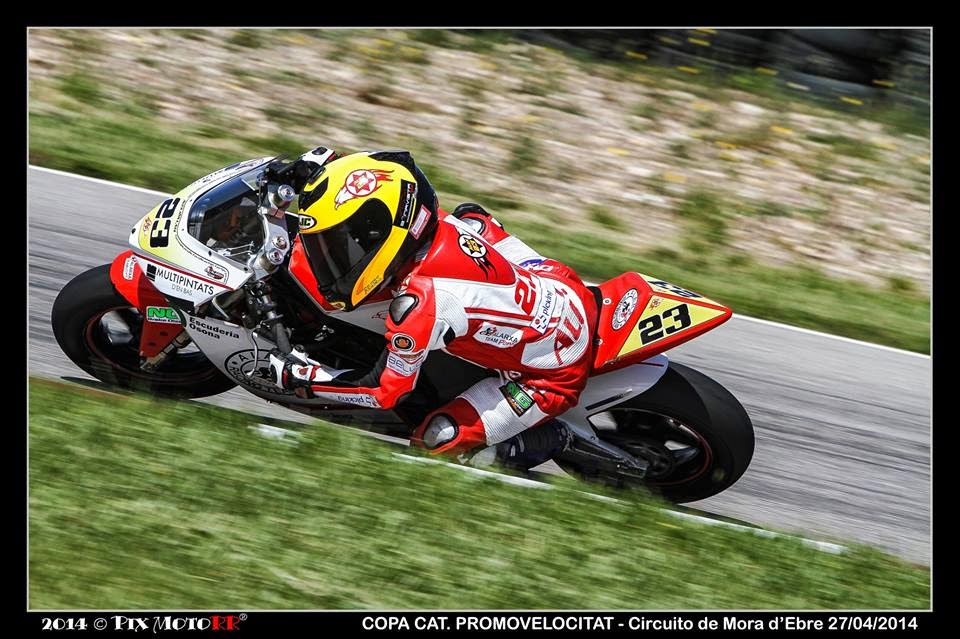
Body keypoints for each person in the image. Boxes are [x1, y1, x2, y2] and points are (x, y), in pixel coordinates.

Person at [268, 147, 598, 470]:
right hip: (557, 283)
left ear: (384, 234)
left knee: (436, 441)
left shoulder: (421, 303)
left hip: (549, 374)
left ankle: (556, 437)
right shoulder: (424, 221)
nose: (335, 254)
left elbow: (383, 391)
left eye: (342, 244)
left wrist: (304, 377)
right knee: (471, 219)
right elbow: (366, 178)